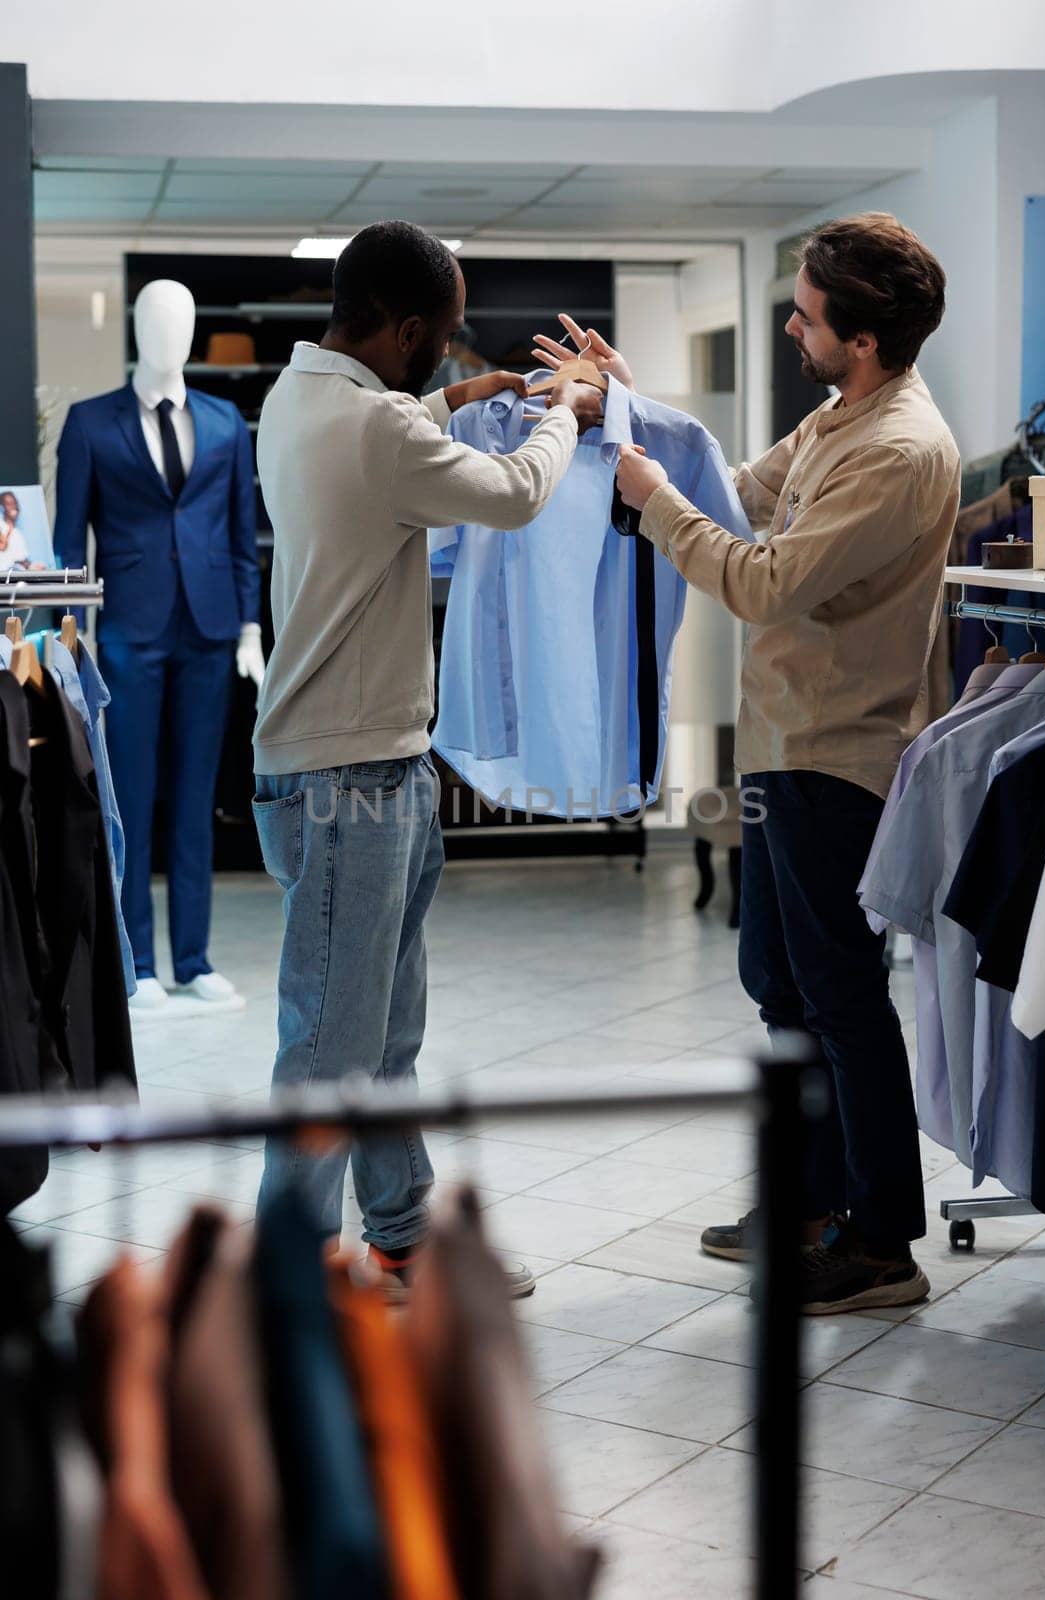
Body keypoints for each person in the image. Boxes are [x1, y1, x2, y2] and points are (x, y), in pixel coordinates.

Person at [539, 212, 961, 1315]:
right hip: (782, 741)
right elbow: (736, 488)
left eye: (809, 315)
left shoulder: (900, 451)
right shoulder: (839, 420)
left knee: (840, 995)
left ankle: (880, 1241)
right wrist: (622, 406)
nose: (792, 325)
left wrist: (649, 498)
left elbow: (764, 578)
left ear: (862, 339)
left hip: (839, 754)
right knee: (779, 982)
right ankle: (814, 1201)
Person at [253, 220, 602, 1297]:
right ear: (399, 330)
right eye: (440, 343)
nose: (446, 358)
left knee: (382, 1028)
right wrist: (567, 413)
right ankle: (290, 1278)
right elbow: (514, 495)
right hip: (349, 771)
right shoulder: (376, 433)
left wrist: (451, 399)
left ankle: (400, 1234)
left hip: (361, 761)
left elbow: (392, 426)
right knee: (329, 1045)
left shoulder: (299, 396)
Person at [0, 492, 32, 567]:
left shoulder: (18, 533)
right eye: (9, 504)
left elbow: (22, 559)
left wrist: (31, 566)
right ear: (2, 507)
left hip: (17, 572)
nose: (13, 507)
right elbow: (2, 546)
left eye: (15, 503)